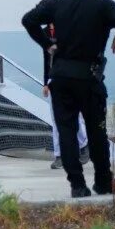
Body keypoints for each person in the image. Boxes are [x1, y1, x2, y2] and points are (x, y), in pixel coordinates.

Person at [21, 0, 115, 198]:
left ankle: (77, 185)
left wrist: (47, 44)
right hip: (89, 78)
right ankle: (103, 182)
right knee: (97, 132)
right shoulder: (104, 5)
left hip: (61, 77)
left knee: (66, 132)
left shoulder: (57, 2)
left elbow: (28, 20)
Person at [41, 21, 90, 170]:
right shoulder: (44, 33)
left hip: (71, 77)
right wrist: (46, 83)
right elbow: (46, 59)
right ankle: (59, 155)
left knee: (74, 115)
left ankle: (83, 145)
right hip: (54, 78)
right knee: (56, 119)